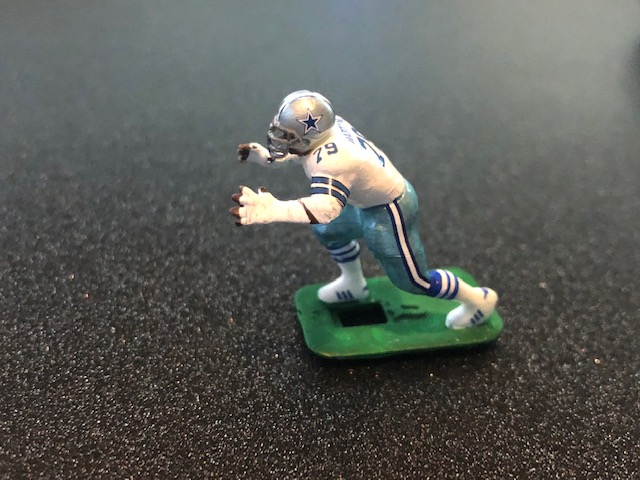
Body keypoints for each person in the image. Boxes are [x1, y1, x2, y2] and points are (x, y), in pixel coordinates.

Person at [230, 90, 497, 329]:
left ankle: (479, 299)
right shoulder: (330, 127)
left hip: (390, 208)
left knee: (414, 281)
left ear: (310, 135)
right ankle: (354, 284)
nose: (281, 139)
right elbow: (304, 152)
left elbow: (325, 209)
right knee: (328, 231)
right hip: (363, 200)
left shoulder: (331, 161)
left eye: (289, 136)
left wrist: (274, 209)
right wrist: (268, 158)